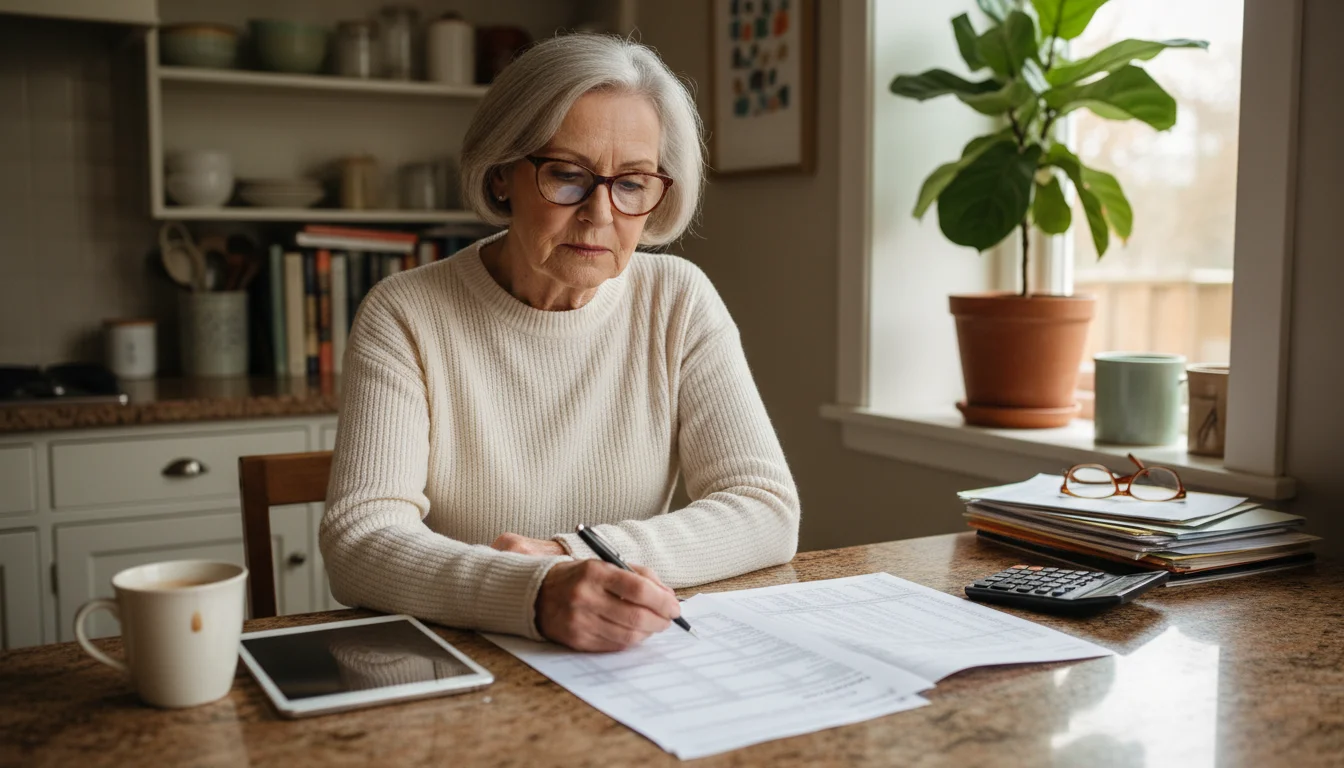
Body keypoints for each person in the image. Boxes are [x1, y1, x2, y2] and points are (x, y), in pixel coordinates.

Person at [320, 33, 799, 652]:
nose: (600, 213)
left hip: (627, 654)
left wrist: (569, 555)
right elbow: (359, 542)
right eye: (568, 176)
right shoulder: (406, 312)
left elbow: (765, 510)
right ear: (500, 178)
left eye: (631, 183)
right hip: (469, 661)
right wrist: (534, 592)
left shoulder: (678, 300)